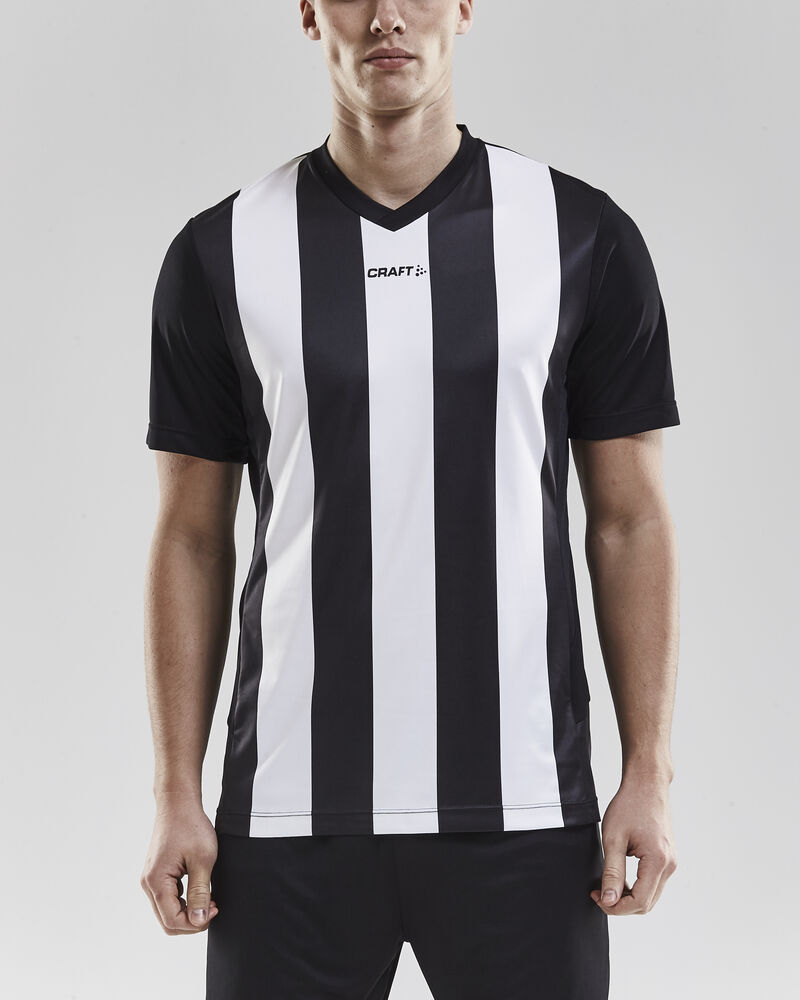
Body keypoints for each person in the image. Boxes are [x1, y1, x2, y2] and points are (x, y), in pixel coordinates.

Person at [139, 1, 680, 997]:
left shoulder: (579, 234)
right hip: (290, 814)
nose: (387, 16)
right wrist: (177, 787)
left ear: (465, 7)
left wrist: (646, 770)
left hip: (524, 809)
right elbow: (191, 538)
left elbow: (628, 519)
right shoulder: (222, 251)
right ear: (311, 14)